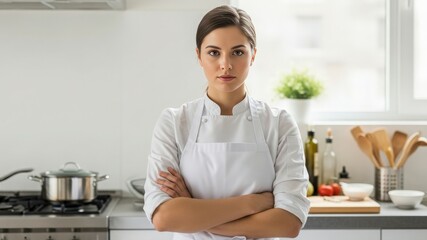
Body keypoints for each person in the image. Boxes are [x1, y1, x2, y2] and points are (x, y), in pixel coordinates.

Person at [143, 5, 310, 240]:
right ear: (198, 56)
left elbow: (288, 223)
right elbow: (164, 218)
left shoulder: (279, 124)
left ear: (253, 55)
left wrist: (193, 210)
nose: (225, 64)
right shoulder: (174, 123)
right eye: (213, 52)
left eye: (237, 52)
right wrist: (253, 203)